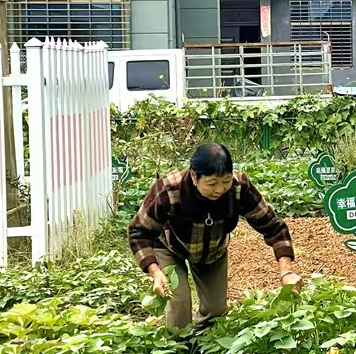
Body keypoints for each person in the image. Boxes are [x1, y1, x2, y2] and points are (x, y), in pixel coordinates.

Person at [128, 142, 303, 331]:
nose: (220, 189)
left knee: (216, 312)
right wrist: (155, 271)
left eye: (225, 181)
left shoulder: (239, 188)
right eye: (212, 183)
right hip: (170, 246)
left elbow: (273, 226)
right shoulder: (170, 189)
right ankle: (180, 353)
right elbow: (138, 231)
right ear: (194, 176)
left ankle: (204, 352)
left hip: (212, 249)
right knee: (179, 304)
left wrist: (286, 271)